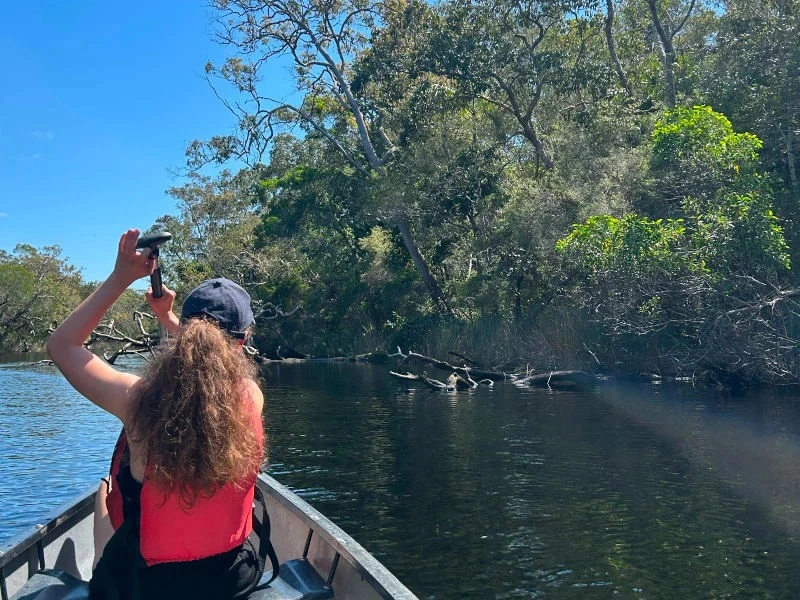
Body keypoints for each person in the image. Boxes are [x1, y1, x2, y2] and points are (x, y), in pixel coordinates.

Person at [47, 229, 265, 600]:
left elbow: (62, 345)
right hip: (231, 580)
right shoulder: (251, 396)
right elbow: (209, 358)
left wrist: (121, 277)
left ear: (188, 334)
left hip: (149, 587)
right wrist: (169, 320)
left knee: (106, 493)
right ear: (243, 340)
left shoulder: (136, 399)